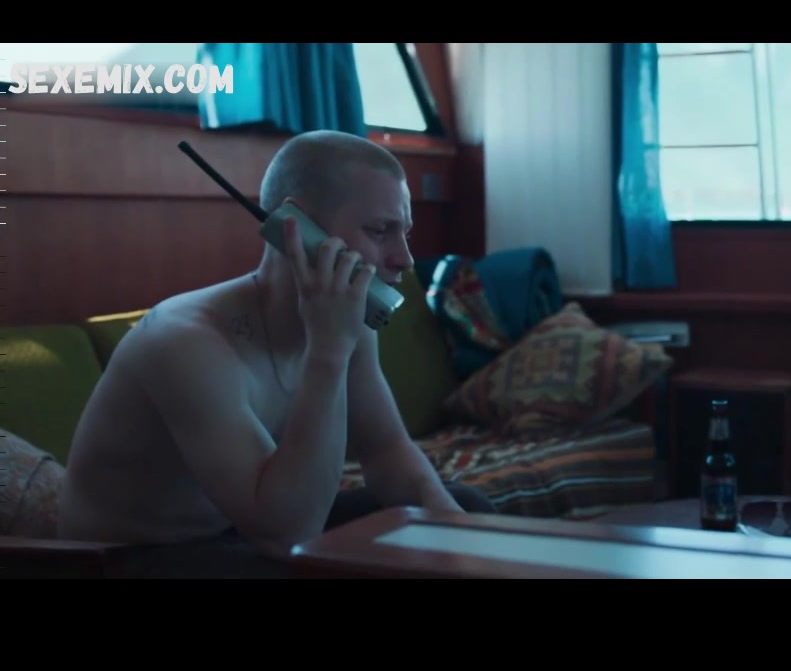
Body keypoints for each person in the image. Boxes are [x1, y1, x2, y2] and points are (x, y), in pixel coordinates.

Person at [58, 130, 499, 578]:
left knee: (466, 507)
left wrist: (461, 539)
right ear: (296, 228)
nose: (404, 258)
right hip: (128, 557)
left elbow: (387, 452)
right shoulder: (186, 341)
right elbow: (287, 535)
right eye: (379, 231)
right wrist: (328, 351)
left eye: (404, 232)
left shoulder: (349, 318)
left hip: (242, 532)